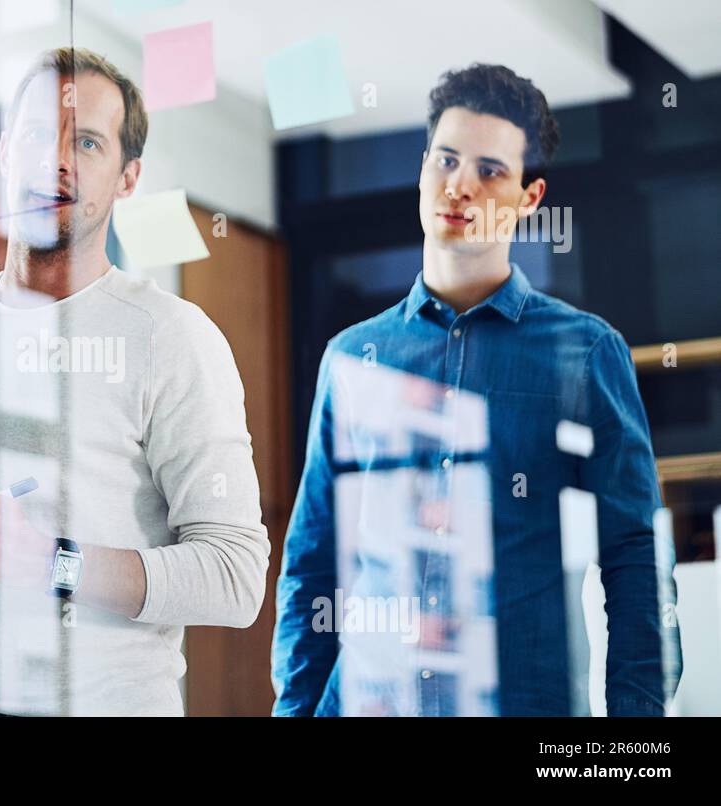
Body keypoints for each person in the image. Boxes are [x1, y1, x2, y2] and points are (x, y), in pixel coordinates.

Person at [0, 47, 269, 716]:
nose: (58, 158)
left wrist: (55, 565)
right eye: (40, 133)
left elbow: (235, 577)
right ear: (9, 151)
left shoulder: (172, 339)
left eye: (89, 142)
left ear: (128, 178)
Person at [272, 64, 681, 717]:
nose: (460, 185)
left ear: (529, 197)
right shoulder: (352, 358)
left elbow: (633, 558)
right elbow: (313, 562)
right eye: (446, 160)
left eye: (490, 170)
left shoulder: (585, 352)